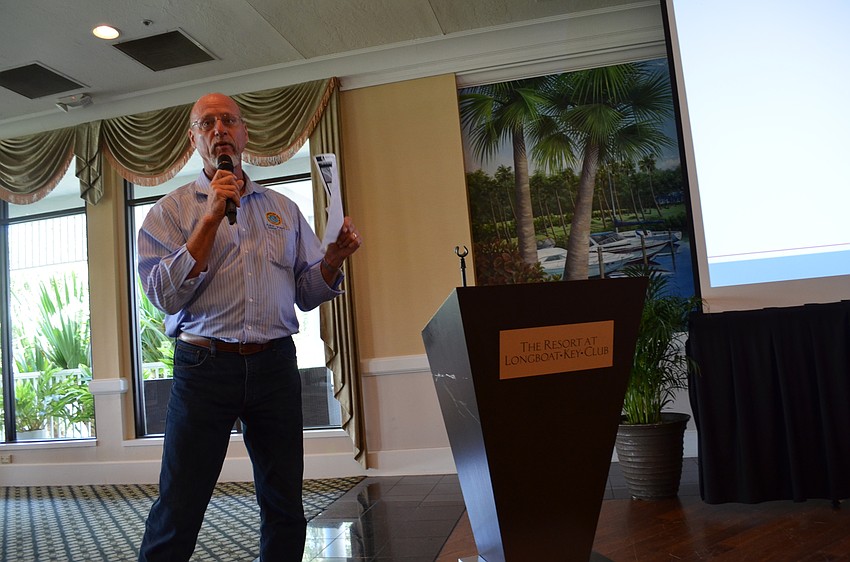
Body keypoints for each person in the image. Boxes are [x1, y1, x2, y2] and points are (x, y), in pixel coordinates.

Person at [137, 92, 362, 562]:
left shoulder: (283, 209)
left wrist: (333, 261)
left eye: (228, 121)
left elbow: (305, 292)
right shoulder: (170, 212)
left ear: (243, 135)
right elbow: (163, 294)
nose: (219, 129)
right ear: (195, 139)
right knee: (180, 505)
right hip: (203, 369)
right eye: (207, 123)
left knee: (284, 504)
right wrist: (210, 217)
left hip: (275, 367)